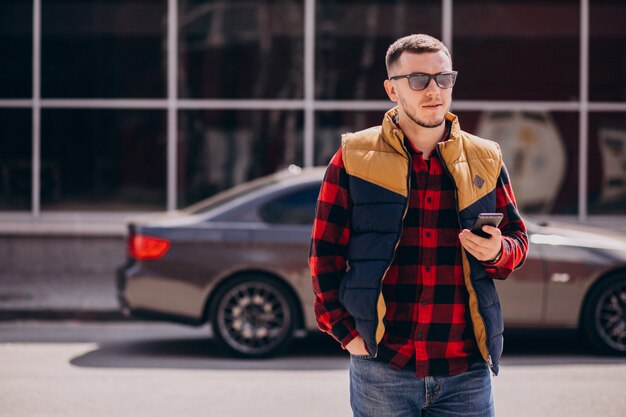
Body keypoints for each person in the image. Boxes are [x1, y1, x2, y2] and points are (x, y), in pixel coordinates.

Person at [308, 34, 528, 417]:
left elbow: (517, 241)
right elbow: (324, 255)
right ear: (392, 89)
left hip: (466, 371)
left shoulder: (485, 157)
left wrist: (498, 252)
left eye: (444, 79)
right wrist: (345, 333)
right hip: (383, 367)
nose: (434, 91)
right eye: (419, 81)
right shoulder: (353, 157)